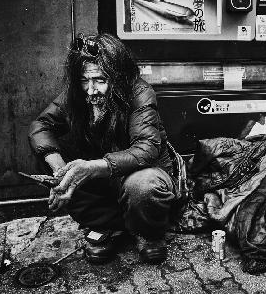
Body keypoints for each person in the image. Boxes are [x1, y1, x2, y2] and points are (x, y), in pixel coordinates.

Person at [28, 33, 180, 264]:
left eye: (100, 80)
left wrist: (93, 167)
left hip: (139, 173)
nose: (91, 90)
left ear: (117, 77)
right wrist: (60, 169)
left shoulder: (140, 93)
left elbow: (146, 148)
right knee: (49, 157)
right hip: (104, 177)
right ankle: (105, 225)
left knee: (143, 185)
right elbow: (41, 125)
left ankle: (147, 232)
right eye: (84, 80)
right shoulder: (78, 95)